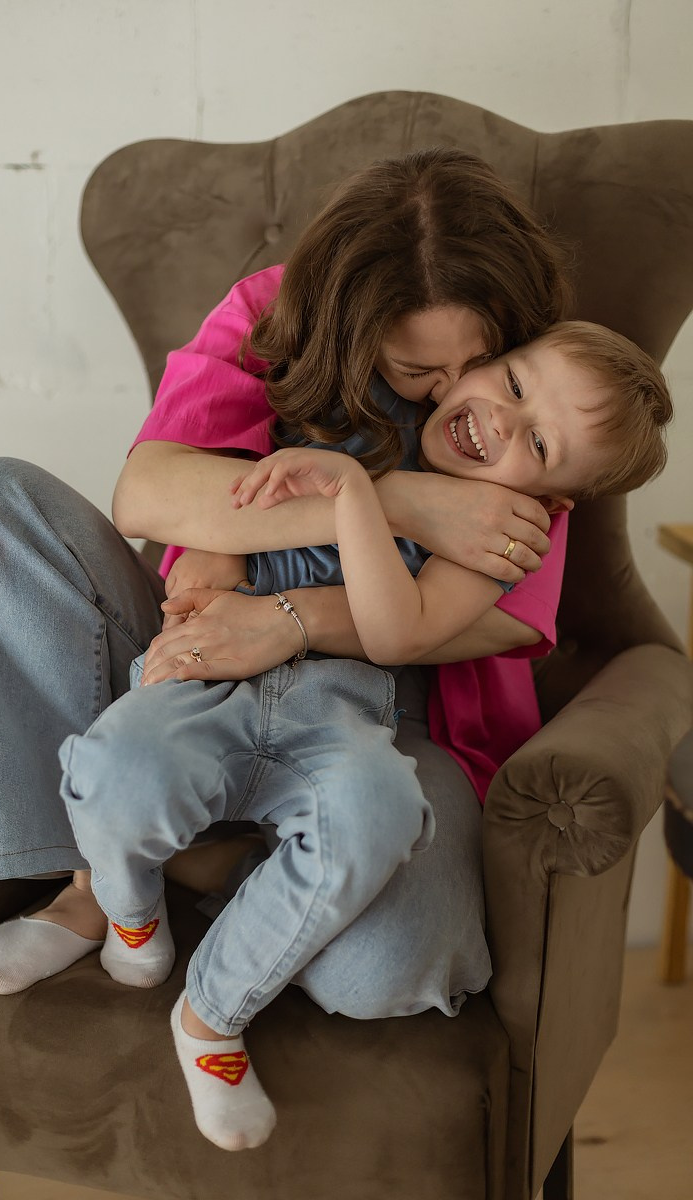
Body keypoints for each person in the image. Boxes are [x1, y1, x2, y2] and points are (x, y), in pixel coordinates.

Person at [0, 148, 571, 1138]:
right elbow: (149, 493)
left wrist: (282, 622)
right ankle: (92, 886)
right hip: (196, 667)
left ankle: (211, 865)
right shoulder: (273, 316)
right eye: (413, 372)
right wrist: (384, 497)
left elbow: (474, 621)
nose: (454, 400)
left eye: (473, 365)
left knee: (388, 976)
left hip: (389, 718)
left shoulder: (539, 412)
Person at [54, 320, 670, 1152]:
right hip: (219, 672)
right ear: (489, 358)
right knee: (125, 763)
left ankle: (212, 986)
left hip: (363, 706)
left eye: (539, 442)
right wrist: (216, 552)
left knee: (384, 947)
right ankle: (120, 896)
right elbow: (209, 492)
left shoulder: (505, 534)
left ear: (554, 502)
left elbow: (398, 634)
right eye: (516, 386)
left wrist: (352, 496)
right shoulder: (334, 365)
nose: (500, 422)